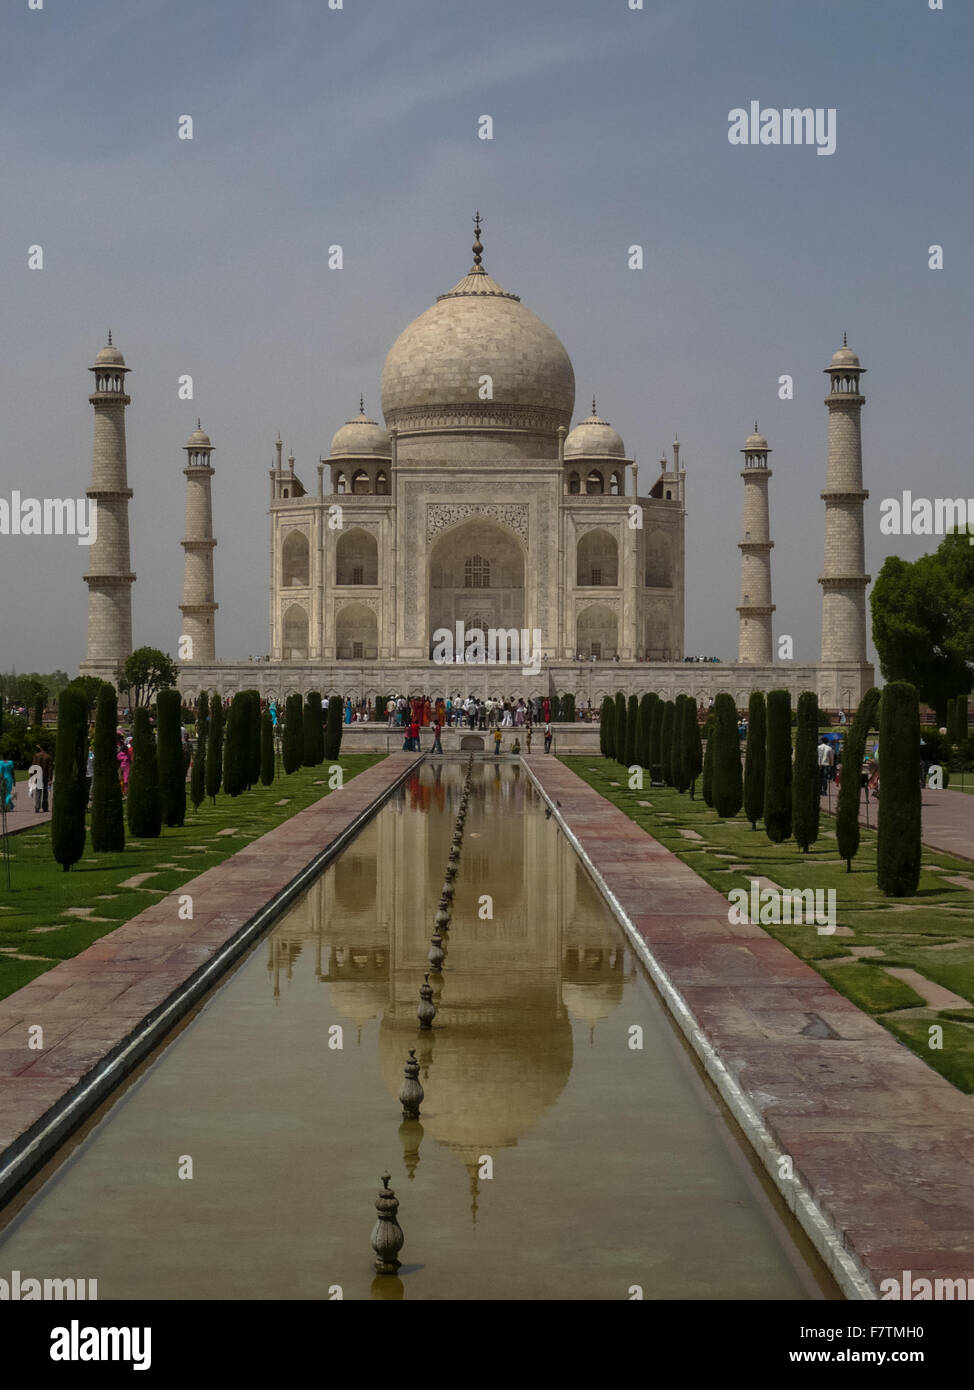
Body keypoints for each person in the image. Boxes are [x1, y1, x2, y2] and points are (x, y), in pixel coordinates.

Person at [37, 745, 53, 812]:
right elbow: (50, 769)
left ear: (41, 748)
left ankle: (37, 807)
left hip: (38, 776)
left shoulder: (36, 755)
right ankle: (45, 807)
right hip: (45, 776)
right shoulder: (48, 757)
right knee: (45, 792)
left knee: (38, 791)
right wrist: (50, 778)